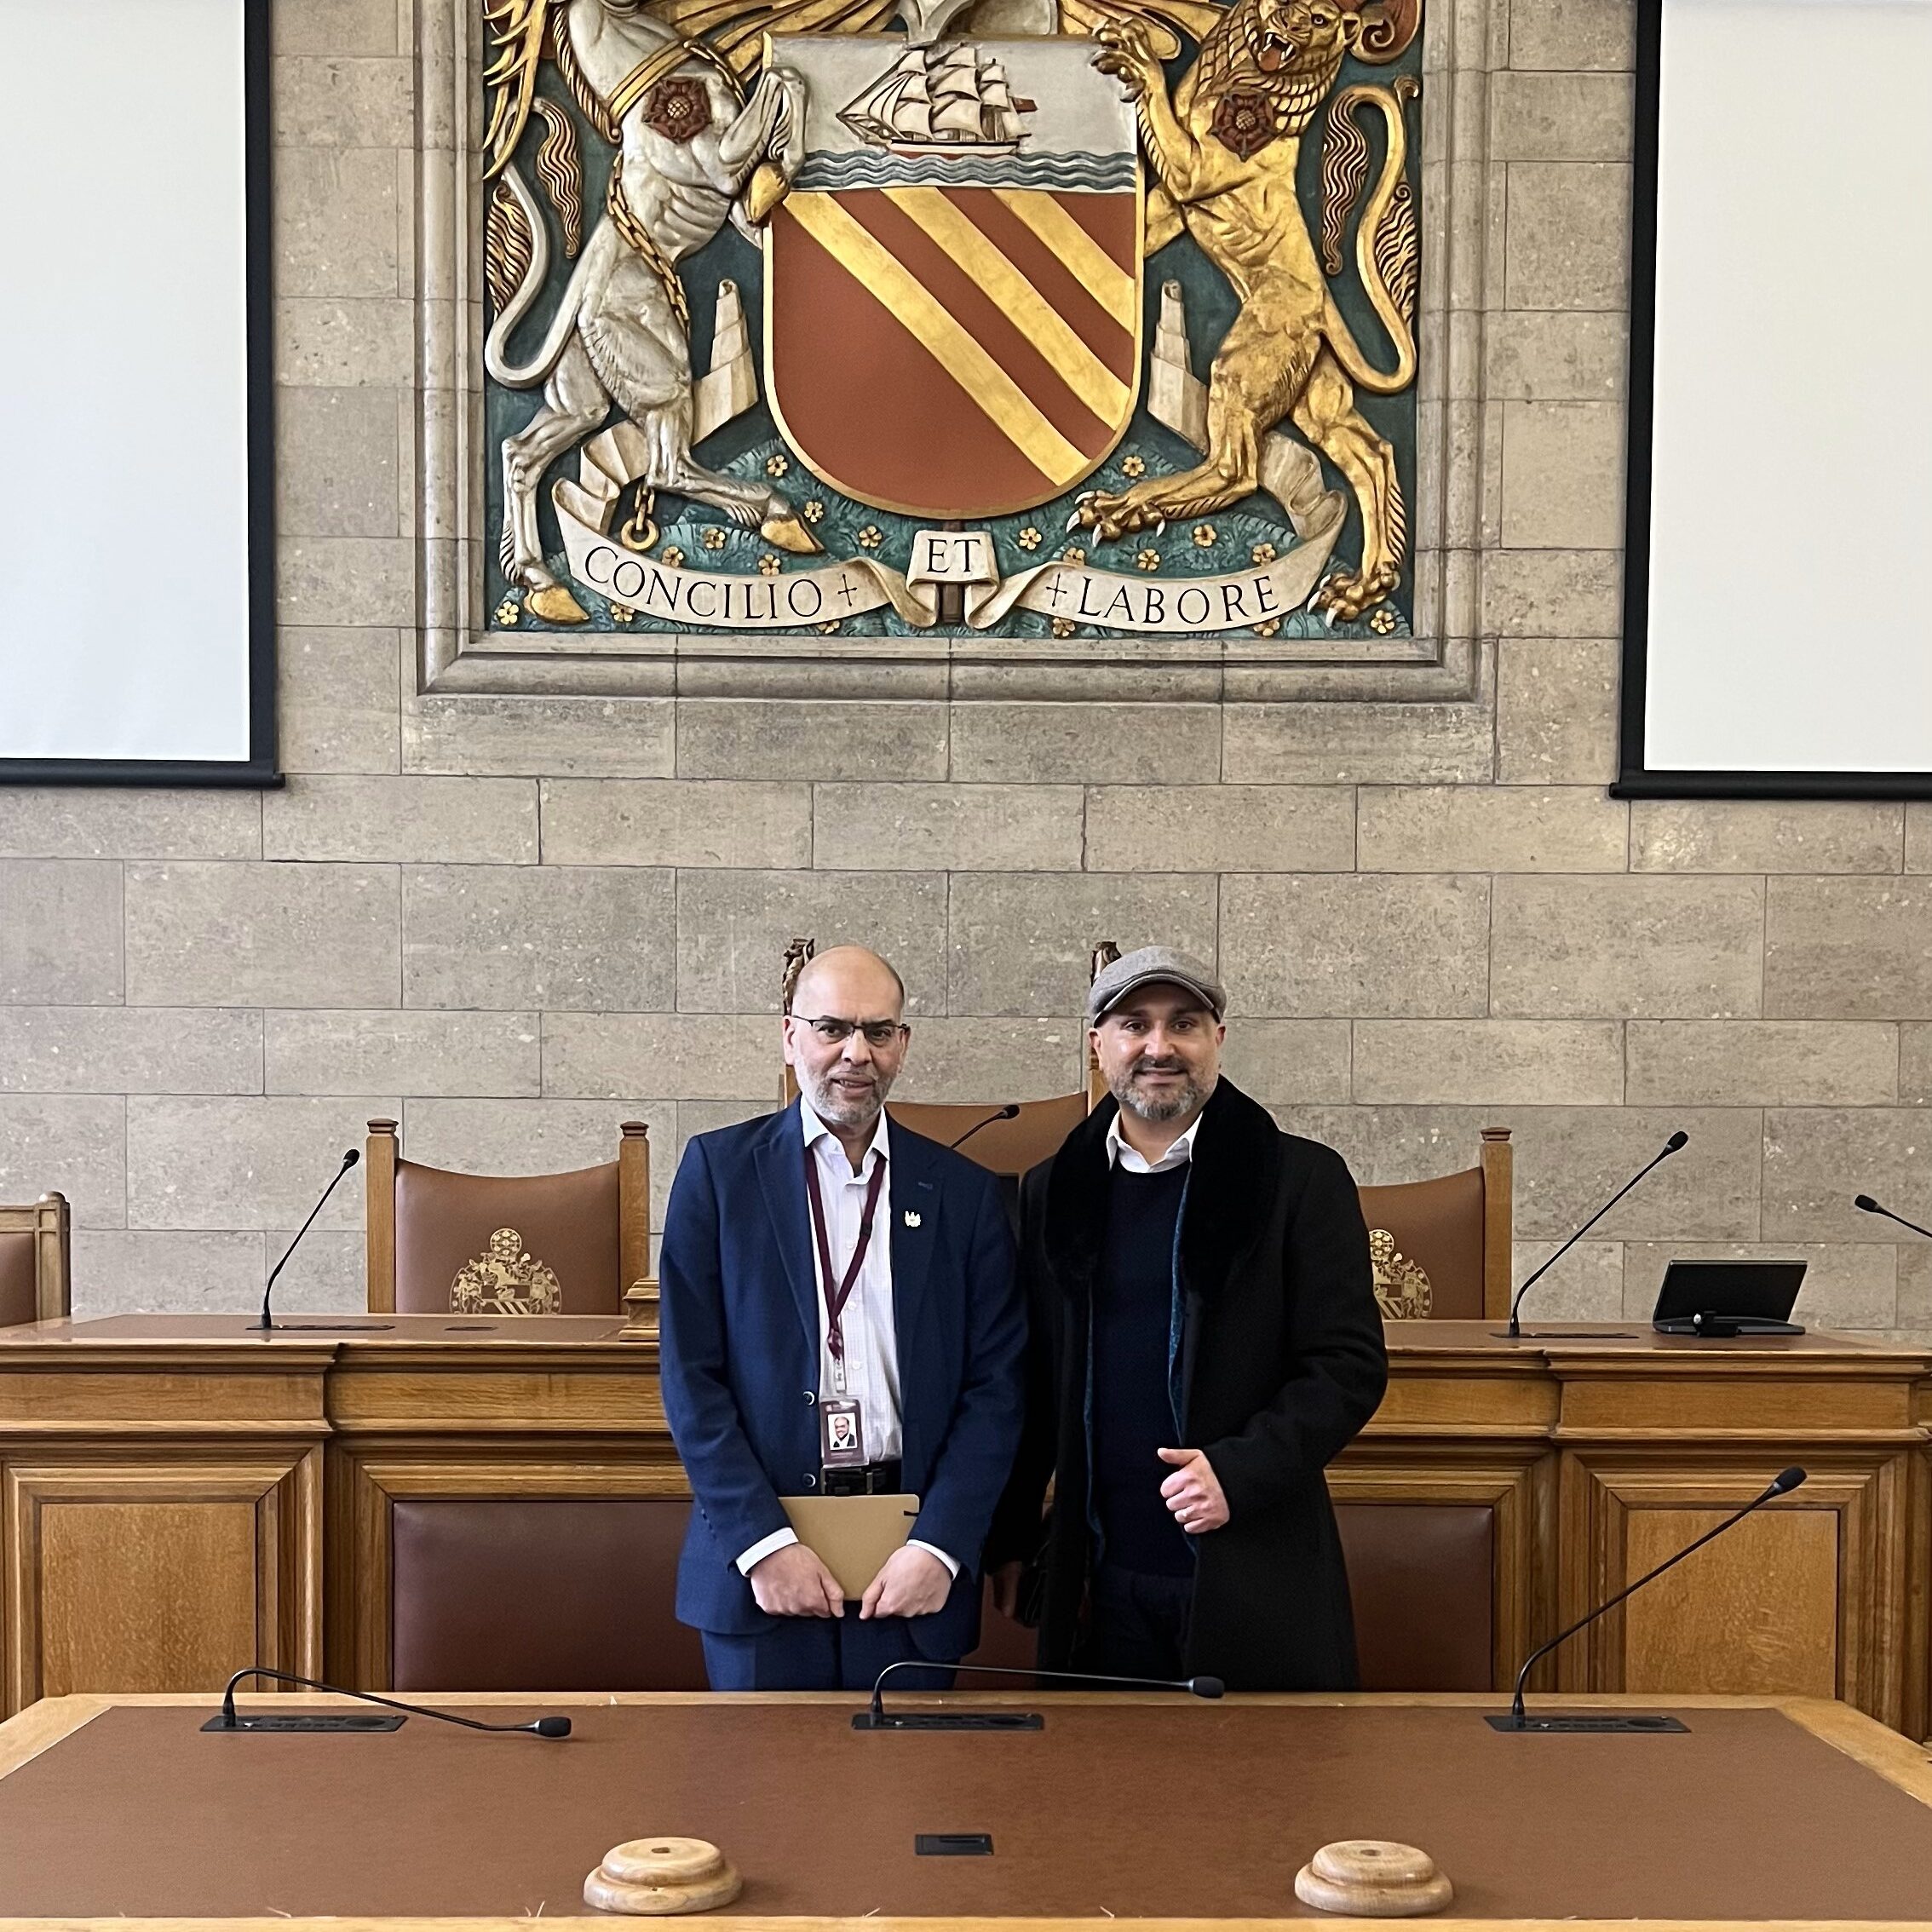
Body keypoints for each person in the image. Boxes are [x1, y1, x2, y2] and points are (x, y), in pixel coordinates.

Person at [990, 946, 1387, 1691]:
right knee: (1105, 1800)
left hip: (1250, 1568)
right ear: (1097, 1044)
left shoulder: (1300, 1181)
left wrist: (1238, 1470)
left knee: (1264, 1797)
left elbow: (1348, 1366)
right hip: (1099, 1581)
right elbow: (1036, 1382)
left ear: (1218, 1040)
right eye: (1134, 1024)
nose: (1159, 1047)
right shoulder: (1054, 1192)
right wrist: (1013, 1536)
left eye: (1185, 1023)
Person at [659, 945, 1025, 1691]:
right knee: (768, 1806)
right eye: (832, 1028)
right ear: (789, 1036)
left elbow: (1000, 1387)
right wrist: (763, 1544)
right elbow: (690, 1380)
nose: (856, 1053)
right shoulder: (719, 1175)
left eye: (878, 1031)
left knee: (908, 1803)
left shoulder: (964, 1194)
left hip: (910, 1575)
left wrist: (942, 1548)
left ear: (903, 1044)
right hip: (761, 1576)